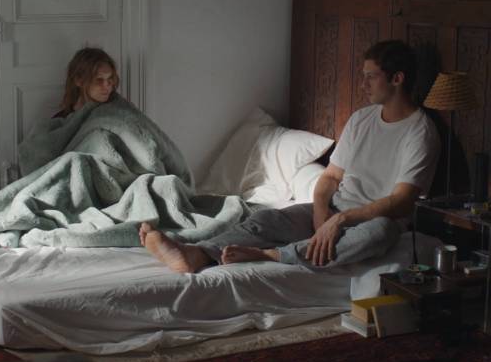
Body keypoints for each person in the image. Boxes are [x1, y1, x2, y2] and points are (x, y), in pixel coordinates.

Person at [140, 40, 441, 273]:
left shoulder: (420, 132)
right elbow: (330, 176)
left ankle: (271, 255)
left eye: (371, 77)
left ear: (397, 78)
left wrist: (342, 221)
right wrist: (321, 213)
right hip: (336, 209)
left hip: (372, 222)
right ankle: (196, 253)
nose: (363, 85)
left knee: (380, 233)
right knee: (267, 219)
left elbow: (402, 201)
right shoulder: (362, 119)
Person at [54, 47, 119, 118]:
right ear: (79, 81)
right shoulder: (61, 121)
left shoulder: (117, 113)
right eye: (98, 80)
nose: (107, 85)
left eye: (110, 78)